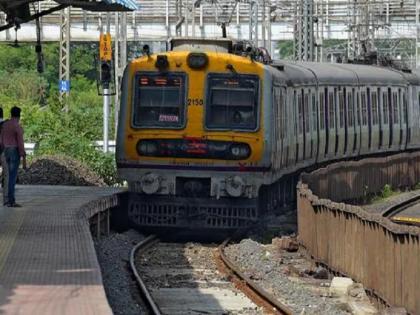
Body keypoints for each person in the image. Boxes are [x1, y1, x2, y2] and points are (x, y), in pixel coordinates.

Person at [1, 106, 26, 207]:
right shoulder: (17, 126)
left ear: (11, 114)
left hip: (5, 151)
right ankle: (11, 200)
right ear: (19, 115)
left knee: (6, 176)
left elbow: (1, 140)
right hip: (14, 151)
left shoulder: (5, 125)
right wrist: (23, 155)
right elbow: (20, 142)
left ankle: (6, 199)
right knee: (12, 177)